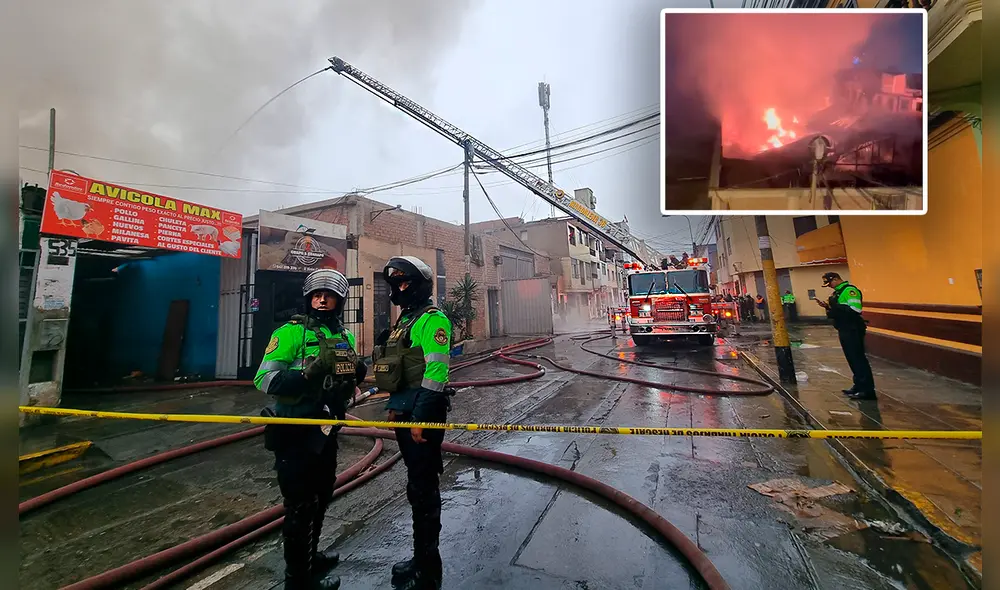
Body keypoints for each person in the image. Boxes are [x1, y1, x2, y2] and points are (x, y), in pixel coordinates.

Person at [254, 269, 367, 590]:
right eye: (316, 294)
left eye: (328, 295)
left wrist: (357, 371)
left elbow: (348, 376)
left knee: (321, 495)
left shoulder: (344, 336)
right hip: (295, 432)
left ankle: (311, 555)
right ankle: (298, 581)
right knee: (300, 506)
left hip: (326, 431)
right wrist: (305, 375)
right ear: (308, 298)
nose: (321, 299)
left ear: (338, 301)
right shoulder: (289, 333)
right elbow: (264, 379)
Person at [372, 256, 454, 590]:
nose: (401, 289)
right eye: (397, 284)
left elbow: (435, 374)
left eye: (406, 283)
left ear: (419, 286)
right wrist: (396, 408)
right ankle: (419, 557)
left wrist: (420, 418)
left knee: (424, 490)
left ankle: (428, 569)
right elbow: (402, 372)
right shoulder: (405, 320)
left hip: (425, 415)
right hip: (406, 412)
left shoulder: (433, 320)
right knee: (415, 488)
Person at [817, 271, 876, 400]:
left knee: (858, 359)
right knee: (852, 359)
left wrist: (836, 307)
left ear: (836, 279)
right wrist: (827, 307)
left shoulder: (849, 291)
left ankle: (867, 390)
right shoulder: (837, 293)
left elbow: (855, 309)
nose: (829, 286)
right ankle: (858, 385)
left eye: (830, 283)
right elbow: (837, 311)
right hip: (844, 328)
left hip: (853, 329)